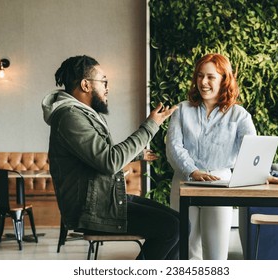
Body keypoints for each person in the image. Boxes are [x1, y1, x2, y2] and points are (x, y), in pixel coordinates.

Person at [41, 55, 180, 260]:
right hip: (92, 209)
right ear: (86, 85)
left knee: (179, 221)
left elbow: (98, 156)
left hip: (105, 198)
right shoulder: (70, 117)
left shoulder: (82, 114)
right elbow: (109, 161)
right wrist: (150, 125)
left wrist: (138, 153)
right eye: (103, 81)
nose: (107, 87)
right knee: (171, 227)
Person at [166, 53, 278, 260]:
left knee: (216, 256)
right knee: (186, 255)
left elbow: (252, 151)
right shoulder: (182, 110)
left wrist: (263, 174)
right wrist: (193, 171)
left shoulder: (239, 115)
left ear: (224, 80)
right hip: (184, 183)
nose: (203, 82)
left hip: (220, 186)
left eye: (210, 77)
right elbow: (173, 147)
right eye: (199, 76)